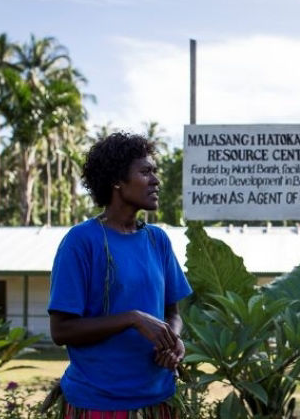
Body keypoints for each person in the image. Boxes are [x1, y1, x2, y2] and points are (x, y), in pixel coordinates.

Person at [47, 132, 192, 418]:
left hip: (158, 398)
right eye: (145, 172)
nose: (155, 180)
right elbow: (61, 331)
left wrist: (172, 341)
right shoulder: (81, 241)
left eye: (155, 171)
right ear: (117, 181)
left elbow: (172, 313)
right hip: (98, 402)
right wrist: (132, 318)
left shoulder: (157, 240)